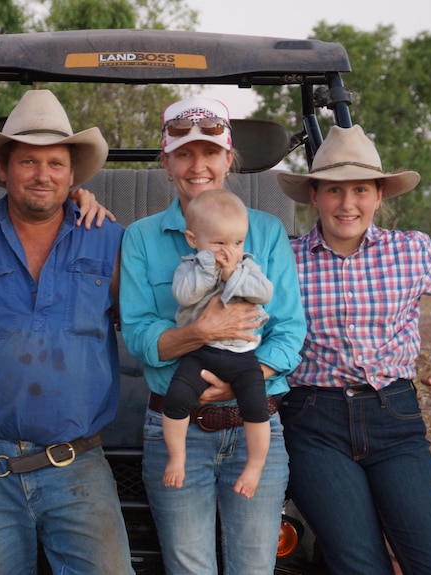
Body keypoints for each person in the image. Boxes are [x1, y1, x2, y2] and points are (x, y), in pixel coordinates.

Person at [276, 124, 431, 575]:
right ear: (315, 196)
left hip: (394, 418)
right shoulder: (284, 258)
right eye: (334, 190)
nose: (347, 203)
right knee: (360, 565)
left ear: (379, 195)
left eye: (360, 189)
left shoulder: (410, 252)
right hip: (312, 422)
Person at [0, 89, 133, 575]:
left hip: (77, 464)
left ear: (72, 173)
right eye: (28, 162)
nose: (43, 175)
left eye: (56, 163)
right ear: (3, 169)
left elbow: (147, 329)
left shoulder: (110, 239)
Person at [119, 96, 306, 574]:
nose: (197, 165)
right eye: (183, 154)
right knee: (188, 567)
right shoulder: (140, 237)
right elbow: (140, 335)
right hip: (176, 426)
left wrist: (244, 378)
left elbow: (288, 330)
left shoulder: (265, 233)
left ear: (228, 159)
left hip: (254, 420)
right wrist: (203, 330)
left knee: (253, 566)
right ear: (166, 162)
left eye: (209, 153)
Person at [164, 188, 273, 499]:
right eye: (219, 244)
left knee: (256, 407)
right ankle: (177, 456)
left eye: (237, 242)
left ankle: (254, 465)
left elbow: (263, 293)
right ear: (193, 240)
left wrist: (231, 273)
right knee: (177, 397)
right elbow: (185, 296)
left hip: (242, 355)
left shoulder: (247, 267)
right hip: (201, 352)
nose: (231, 251)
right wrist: (211, 269)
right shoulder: (189, 267)